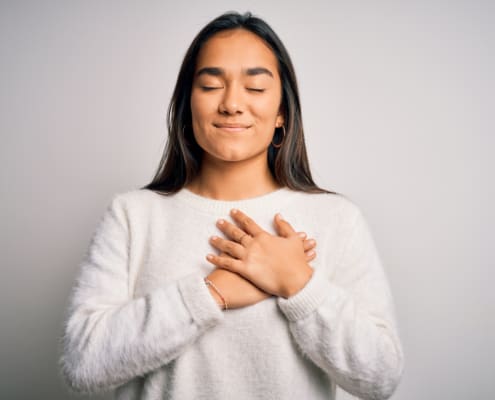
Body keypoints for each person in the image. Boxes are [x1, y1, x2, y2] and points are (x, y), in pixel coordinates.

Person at [59, 11, 404, 400]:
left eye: (255, 88)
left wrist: (298, 284)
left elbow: (380, 378)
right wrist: (211, 293)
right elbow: (82, 363)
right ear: (187, 106)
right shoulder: (133, 215)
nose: (232, 104)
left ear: (282, 115)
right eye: (210, 85)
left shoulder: (336, 219)